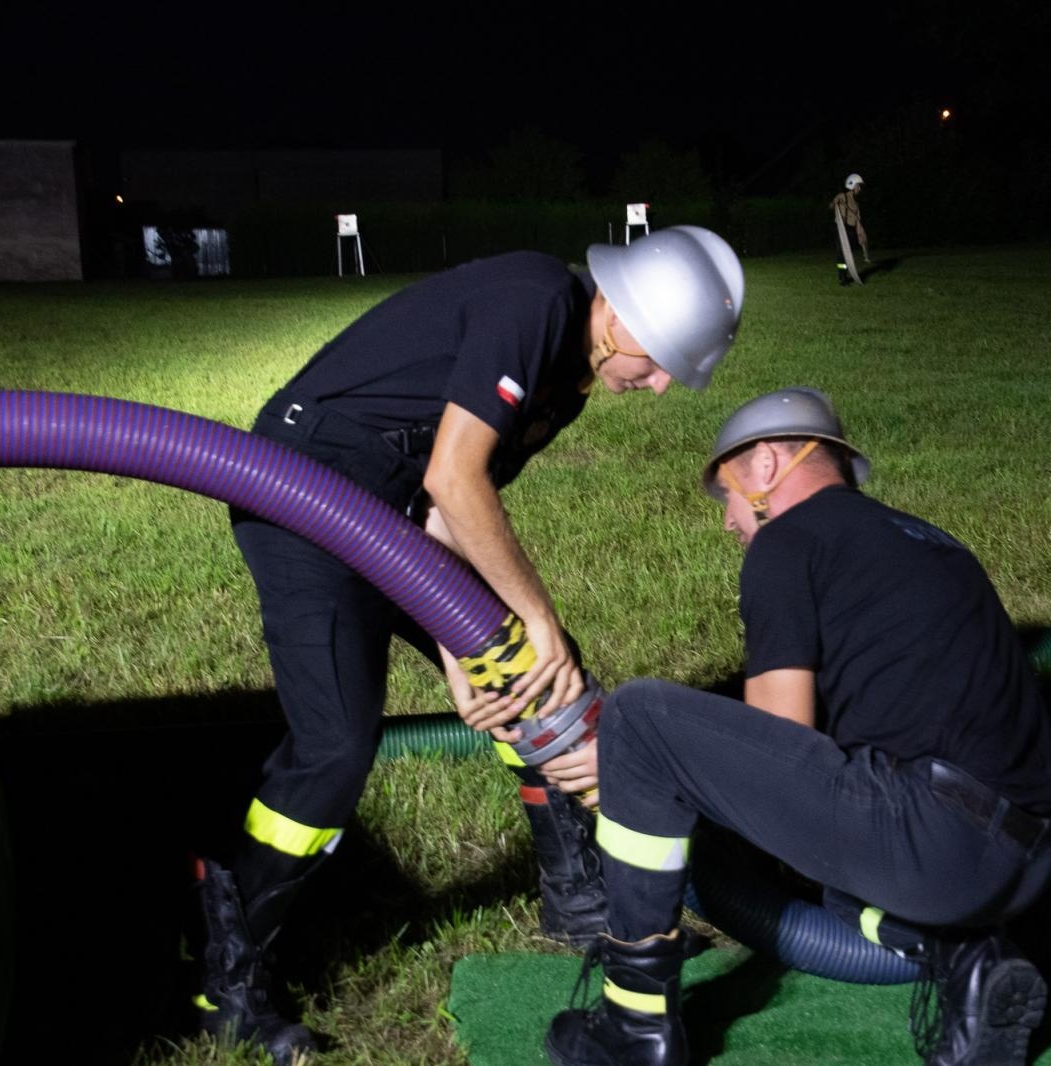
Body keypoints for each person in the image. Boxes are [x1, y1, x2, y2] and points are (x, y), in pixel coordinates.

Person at [207, 227, 745, 1061]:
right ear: (620, 313)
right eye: (664, 359)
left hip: (389, 515)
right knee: (337, 745)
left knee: (535, 676)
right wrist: (533, 615)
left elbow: (439, 510)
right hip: (303, 492)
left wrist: (468, 649)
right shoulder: (534, 301)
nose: (663, 384)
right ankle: (225, 977)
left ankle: (579, 900)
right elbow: (452, 478)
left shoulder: (564, 385)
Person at [541, 388, 1051, 1066]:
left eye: (726, 494)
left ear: (765, 464)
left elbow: (776, 743)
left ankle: (634, 1025)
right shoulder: (928, 542)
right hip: (1030, 865)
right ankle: (969, 958)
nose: (728, 522)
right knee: (833, 882)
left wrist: (631, 759)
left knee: (640, 716)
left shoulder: (789, 540)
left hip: (934, 845)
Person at [830, 172, 868, 286]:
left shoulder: (856, 204)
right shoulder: (842, 196)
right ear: (852, 185)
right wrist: (835, 202)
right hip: (841, 229)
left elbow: (857, 221)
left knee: (848, 254)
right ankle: (842, 277)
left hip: (851, 230)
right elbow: (831, 206)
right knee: (841, 253)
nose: (859, 189)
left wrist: (860, 234)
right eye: (858, 186)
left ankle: (845, 274)